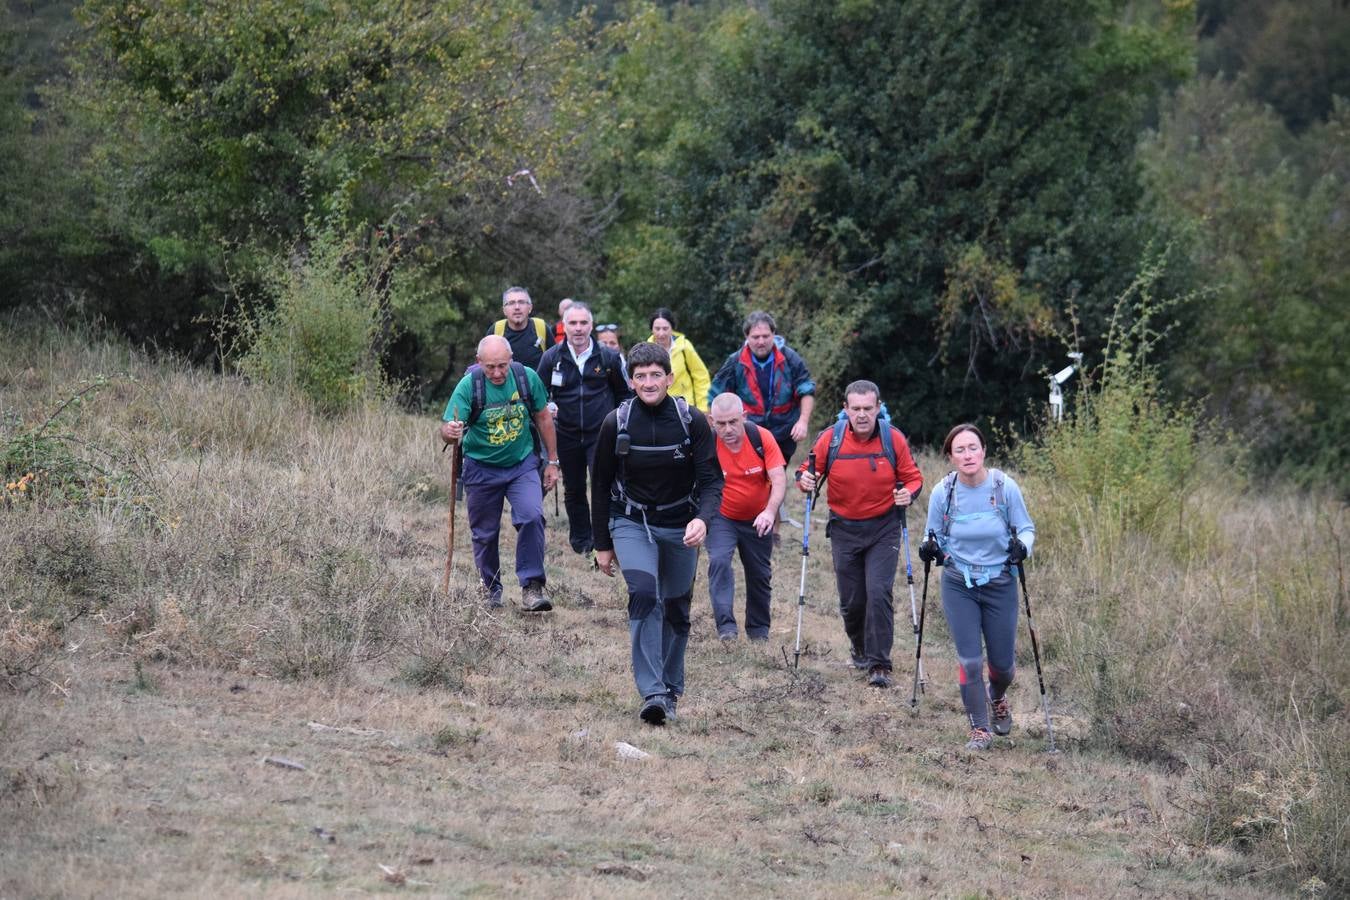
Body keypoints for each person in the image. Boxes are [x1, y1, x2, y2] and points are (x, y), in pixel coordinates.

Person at [592, 342, 723, 726]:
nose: (649, 383)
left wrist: (703, 519)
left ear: (670, 377)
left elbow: (713, 481)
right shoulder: (615, 422)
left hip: (681, 524)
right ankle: (651, 693)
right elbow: (599, 484)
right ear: (631, 381)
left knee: (677, 607)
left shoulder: (692, 421)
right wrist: (602, 544)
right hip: (631, 522)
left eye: (656, 375)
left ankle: (670, 689)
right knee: (645, 594)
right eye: (640, 376)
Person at [796, 381, 923, 689]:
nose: (862, 415)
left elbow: (913, 478)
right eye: (856, 409)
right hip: (844, 529)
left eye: (868, 408)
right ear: (846, 410)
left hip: (884, 527)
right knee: (852, 602)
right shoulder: (832, 438)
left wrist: (908, 493)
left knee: (879, 593)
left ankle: (880, 664)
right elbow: (804, 471)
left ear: (878, 408)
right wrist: (806, 480)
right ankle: (860, 648)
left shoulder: (893, 439)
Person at [919, 423, 1035, 751]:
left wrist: (1022, 547)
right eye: (960, 450)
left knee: (1003, 667)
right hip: (959, 583)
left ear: (983, 451)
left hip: (1000, 582)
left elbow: (1026, 528)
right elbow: (933, 536)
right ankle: (979, 729)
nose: (968, 455)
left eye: (973, 448)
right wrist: (928, 548)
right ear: (950, 456)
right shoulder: (944, 492)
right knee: (970, 661)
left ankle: (996, 696)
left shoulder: (1003, 487)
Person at [440, 335, 561, 611]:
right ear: (478, 362)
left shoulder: (526, 378)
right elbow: (447, 429)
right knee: (484, 533)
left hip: (522, 465)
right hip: (481, 468)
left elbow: (543, 416)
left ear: (511, 361)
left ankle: (532, 587)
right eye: (491, 367)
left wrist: (552, 462)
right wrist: (450, 432)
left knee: (532, 516)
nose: (497, 373)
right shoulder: (469, 386)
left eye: (503, 366)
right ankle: (490, 589)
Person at [536, 301, 631, 555]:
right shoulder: (551, 357)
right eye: (572, 323)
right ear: (563, 326)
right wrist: (548, 405)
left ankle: (607, 539)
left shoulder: (609, 357)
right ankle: (582, 542)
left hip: (600, 434)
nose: (578, 329)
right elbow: (537, 395)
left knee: (603, 485)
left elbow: (625, 395)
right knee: (574, 487)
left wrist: (618, 425)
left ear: (591, 326)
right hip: (565, 434)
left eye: (583, 323)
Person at [706, 393, 786, 642]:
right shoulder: (707, 443)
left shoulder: (761, 438)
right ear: (712, 421)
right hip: (722, 516)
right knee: (718, 561)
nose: (727, 429)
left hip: (758, 517)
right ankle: (726, 628)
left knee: (759, 574)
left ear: (744, 417)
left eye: (733, 422)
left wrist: (770, 513)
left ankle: (758, 630)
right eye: (720, 424)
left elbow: (779, 479)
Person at [709, 310, 815, 464]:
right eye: (755, 337)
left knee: (776, 476)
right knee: (754, 478)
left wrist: (803, 421)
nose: (761, 341)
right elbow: (715, 394)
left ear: (773, 334)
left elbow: (806, 389)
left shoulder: (790, 357)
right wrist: (716, 428)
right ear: (746, 337)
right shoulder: (735, 361)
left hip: (783, 432)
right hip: (749, 432)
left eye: (766, 336)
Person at [646, 307, 711, 412]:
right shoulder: (646, 350)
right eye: (657, 329)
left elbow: (701, 377)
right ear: (652, 329)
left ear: (672, 328)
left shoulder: (684, 347)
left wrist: (702, 408)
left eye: (665, 328)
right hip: (656, 409)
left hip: (685, 408)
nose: (661, 333)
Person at [487, 286, 548, 369]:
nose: (517, 307)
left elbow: (555, 361)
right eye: (511, 303)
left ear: (530, 308)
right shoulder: (495, 331)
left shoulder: (541, 328)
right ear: (504, 310)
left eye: (522, 302)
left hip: (537, 382)